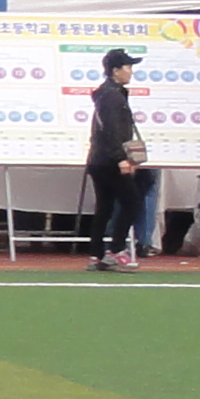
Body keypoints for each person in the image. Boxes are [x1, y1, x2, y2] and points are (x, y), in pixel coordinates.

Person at [87, 46, 150, 274]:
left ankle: (97, 254)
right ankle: (116, 250)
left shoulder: (107, 93)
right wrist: (121, 158)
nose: (130, 72)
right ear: (115, 70)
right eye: (128, 67)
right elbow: (113, 130)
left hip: (98, 159)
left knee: (104, 207)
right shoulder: (112, 95)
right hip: (109, 160)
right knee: (132, 202)